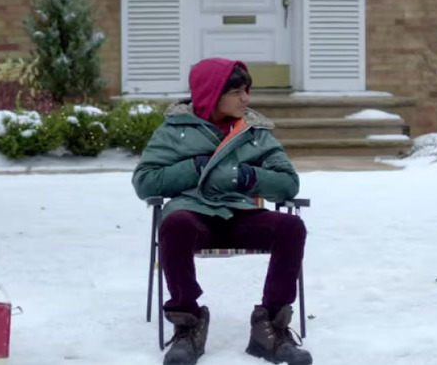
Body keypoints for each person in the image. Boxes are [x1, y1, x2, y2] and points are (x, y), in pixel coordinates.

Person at [132, 58, 312, 365]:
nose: (246, 99)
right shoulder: (175, 131)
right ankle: (187, 325)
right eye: (237, 92)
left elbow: (288, 183)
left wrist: (250, 177)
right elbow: (145, 181)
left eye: (247, 91)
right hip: (194, 213)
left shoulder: (255, 132)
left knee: (290, 227)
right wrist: (195, 168)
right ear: (212, 93)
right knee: (175, 224)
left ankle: (271, 326)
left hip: (241, 214)